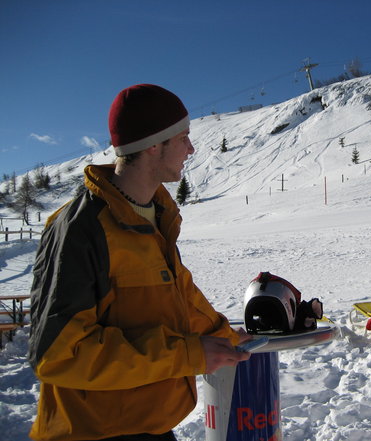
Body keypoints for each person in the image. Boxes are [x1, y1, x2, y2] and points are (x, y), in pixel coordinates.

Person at [28, 84, 250, 441]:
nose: (191, 149)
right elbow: (58, 355)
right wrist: (189, 354)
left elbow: (181, 300)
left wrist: (225, 338)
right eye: (183, 138)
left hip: (150, 425)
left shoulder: (156, 216)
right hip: (93, 432)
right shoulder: (81, 228)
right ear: (152, 145)